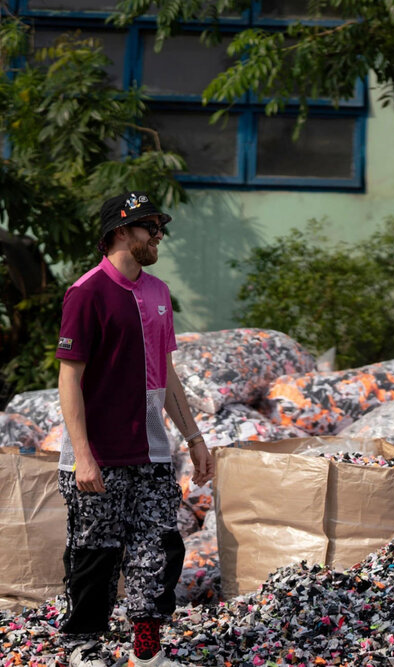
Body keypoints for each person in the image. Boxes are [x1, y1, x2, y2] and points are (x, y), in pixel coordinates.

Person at [56, 191, 214, 667]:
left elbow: (165, 374)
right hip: (100, 455)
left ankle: (146, 651)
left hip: (152, 451)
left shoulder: (159, 292)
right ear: (120, 232)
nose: (159, 235)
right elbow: (70, 377)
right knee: (94, 553)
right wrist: (83, 454)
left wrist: (195, 439)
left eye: (159, 227)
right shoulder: (86, 292)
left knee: (158, 548)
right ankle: (83, 644)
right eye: (150, 226)